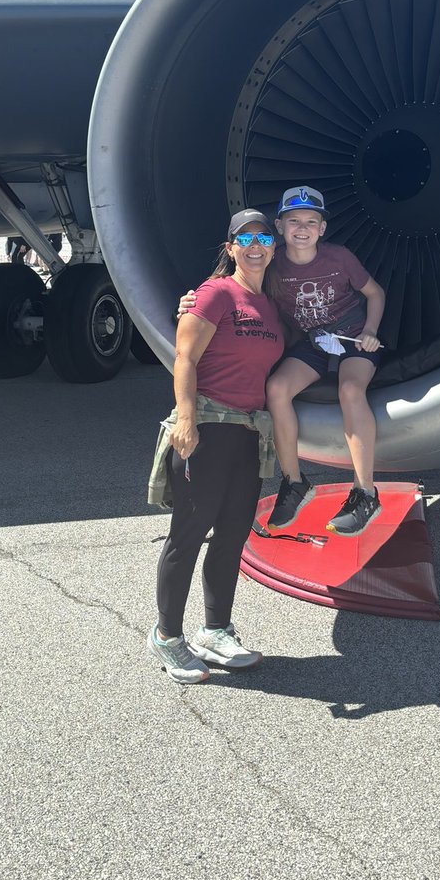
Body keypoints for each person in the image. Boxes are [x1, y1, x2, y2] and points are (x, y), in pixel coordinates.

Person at [180, 185, 386, 537]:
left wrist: (369, 329)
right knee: (276, 389)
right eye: (293, 221)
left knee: (350, 390)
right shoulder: (273, 267)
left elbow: (375, 292)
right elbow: (236, 287)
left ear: (322, 229)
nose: (302, 228)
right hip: (313, 345)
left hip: (353, 341)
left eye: (311, 221)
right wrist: (188, 304)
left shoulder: (340, 258)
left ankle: (365, 492)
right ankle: (294, 482)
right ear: (280, 228)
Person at [146, 209, 284, 684]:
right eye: (244, 238)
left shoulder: (269, 304)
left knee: (232, 535)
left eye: (263, 237)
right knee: (187, 535)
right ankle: (166, 637)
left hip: (247, 432)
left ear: (274, 246)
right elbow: (184, 356)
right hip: (207, 426)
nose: (255, 245)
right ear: (230, 248)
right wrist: (185, 420)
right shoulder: (216, 292)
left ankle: (216, 630)